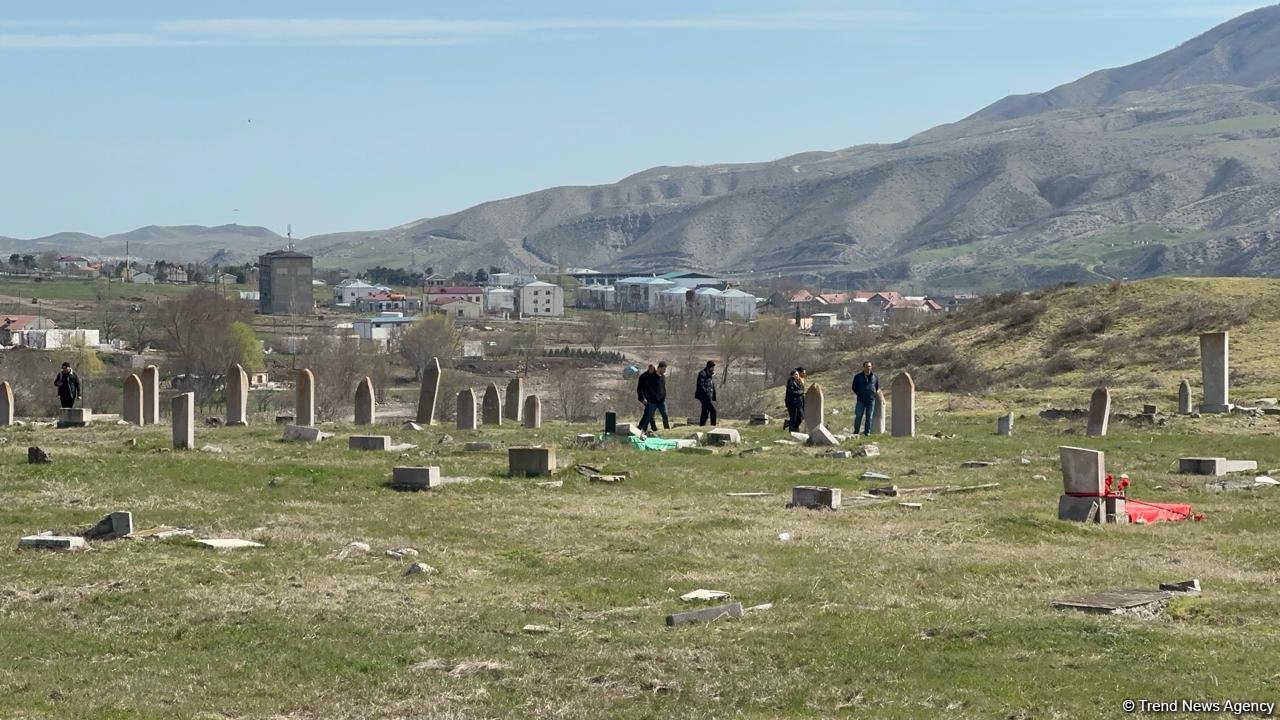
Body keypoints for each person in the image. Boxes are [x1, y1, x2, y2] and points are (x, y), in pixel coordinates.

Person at [636, 362, 670, 433]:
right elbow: (640, 389)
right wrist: (643, 398)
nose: (653, 370)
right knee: (648, 415)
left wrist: (663, 396)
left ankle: (662, 429)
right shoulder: (646, 377)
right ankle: (642, 429)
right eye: (664, 369)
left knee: (662, 415)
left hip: (660, 400)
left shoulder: (661, 376)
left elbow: (662, 388)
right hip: (650, 400)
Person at [851, 360, 880, 436]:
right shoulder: (858, 377)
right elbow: (854, 387)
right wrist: (859, 393)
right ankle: (856, 431)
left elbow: (876, 387)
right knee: (858, 416)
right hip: (861, 400)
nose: (868, 368)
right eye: (867, 366)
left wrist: (873, 394)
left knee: (869, 417)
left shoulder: (875, 377)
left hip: (871, 400)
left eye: (869, 366)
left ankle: (867, 432)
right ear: (863, 367)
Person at [695, 360, 717, 426]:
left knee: (705, 412)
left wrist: (713, 396)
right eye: (712, 367)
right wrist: (706, 394)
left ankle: (702, 425)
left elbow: (711, 386)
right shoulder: (702, 373)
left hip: (708, 397)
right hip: (704, 396)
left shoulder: (709, 375)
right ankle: (713, 426)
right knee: (713, 411)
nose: (713, 369)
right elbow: (701, 385)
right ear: (709, 367)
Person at [784, 366, 806, 432]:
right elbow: (792, 392)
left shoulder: (797, 381)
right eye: (795, 374)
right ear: (792, 375)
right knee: (793, 418)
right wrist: (801, 392)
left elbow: (802, 389)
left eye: (797, 374)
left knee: (801, 417)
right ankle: (792, 431)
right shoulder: (790, 381)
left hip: (798, 403)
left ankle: (789, 424)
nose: (797, 375)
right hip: (792, 403)